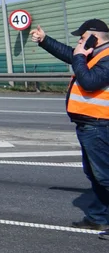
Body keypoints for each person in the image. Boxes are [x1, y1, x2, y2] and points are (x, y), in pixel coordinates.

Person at [32, 18, 109, 232]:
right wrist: (45, 40)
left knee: (105, 176)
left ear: (95, 37)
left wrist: (79, 56)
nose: (79, 43)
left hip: (100, 125)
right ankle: (99, 217)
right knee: (95, 174)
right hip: (89, 125)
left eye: (82, 38)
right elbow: (71, 56)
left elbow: (90, 81)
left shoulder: (107, 57)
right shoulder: (94, 55)